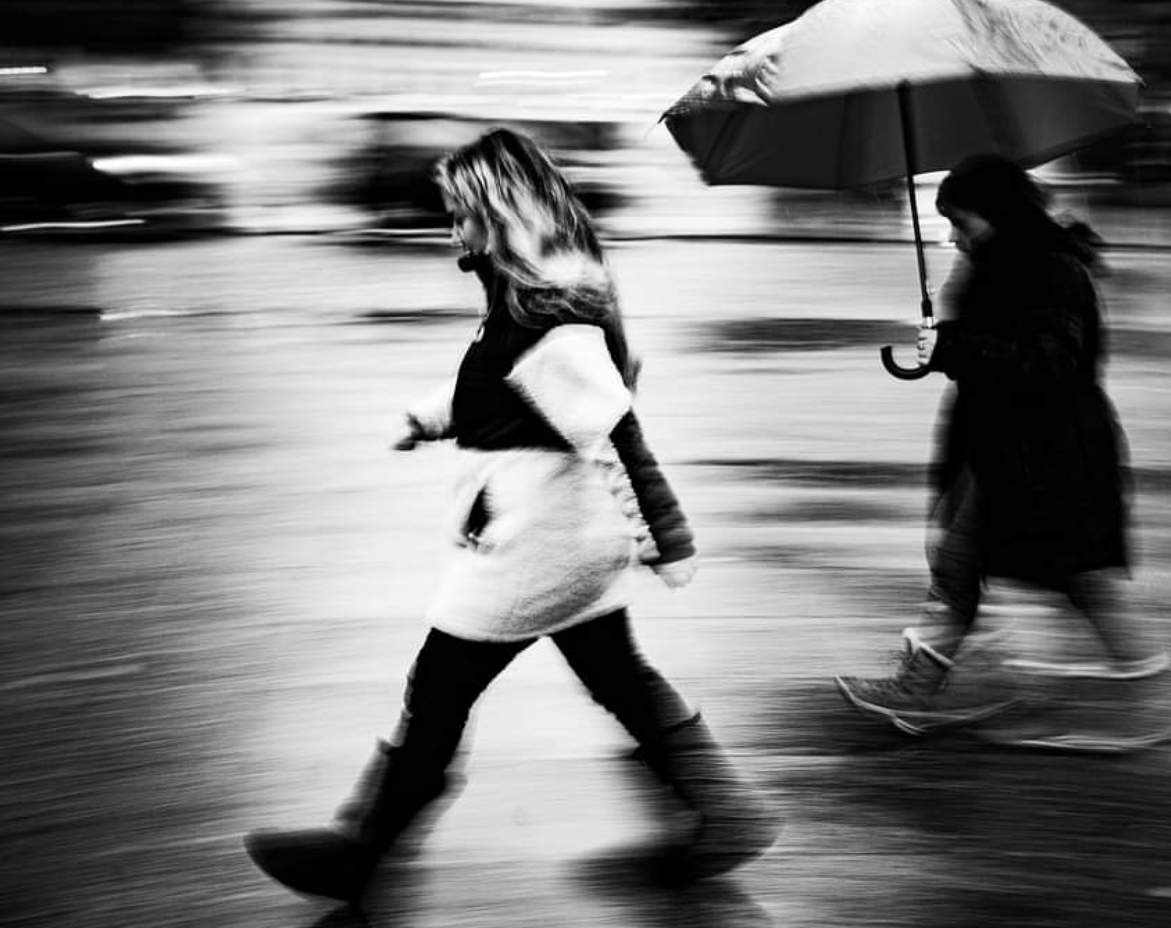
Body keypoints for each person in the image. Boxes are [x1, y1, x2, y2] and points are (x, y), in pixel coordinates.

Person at [244, 127, 781, 905]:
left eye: (461, 215)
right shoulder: (526, 298)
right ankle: (724, 810)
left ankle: (362, 849)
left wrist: (667, 537)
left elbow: (615, 432)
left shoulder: (546, 316)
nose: (452, 230)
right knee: (619, 679)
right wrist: (429, 417)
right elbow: (494, 387)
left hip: (537, 545)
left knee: (439, 686)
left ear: (499, 215)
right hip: (567, 538)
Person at [834, 153, 1170, 736]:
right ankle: (927, 688)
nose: (952, 236)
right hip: (1002, 444)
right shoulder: (1000, 262)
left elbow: (1051, 360)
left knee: (1073, 578)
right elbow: (997, 340)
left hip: (1047, 453)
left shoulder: (1050, 269)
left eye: (960, 222)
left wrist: (954, 348)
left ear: (997, 212)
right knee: (969, 566)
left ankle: (1146, 699)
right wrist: (947, 339)